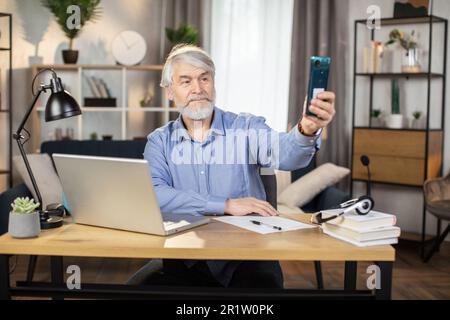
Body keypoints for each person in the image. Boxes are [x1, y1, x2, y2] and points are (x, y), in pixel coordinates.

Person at [143, 44, 336, 288]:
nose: (198, 89)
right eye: (186, 81)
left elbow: (286, 155)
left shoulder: (245, 128)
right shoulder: (159, 141)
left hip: (249, 255)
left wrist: (306, 129)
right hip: (186, 255)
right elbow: (154, 194)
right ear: (170, 91)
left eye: (205, 78)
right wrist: (224, 205)